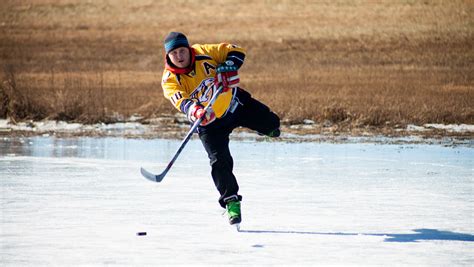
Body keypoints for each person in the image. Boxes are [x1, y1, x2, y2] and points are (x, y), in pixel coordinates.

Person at [161, 32, 280, 225]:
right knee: (219, 161)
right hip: (209, 124)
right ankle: (231, 203)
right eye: (174, 53)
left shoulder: (203, 52)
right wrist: (197, 111)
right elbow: (181, 101)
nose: (180, 56)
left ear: (188, 49)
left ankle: (262, 128)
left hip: (235, 104)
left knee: (274, 126)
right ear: (168, 56)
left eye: (182, 50)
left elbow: (236, 51)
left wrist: (230, 66)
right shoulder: (169, 79)